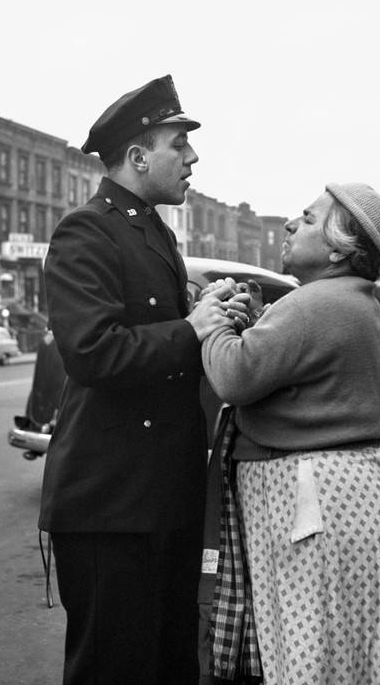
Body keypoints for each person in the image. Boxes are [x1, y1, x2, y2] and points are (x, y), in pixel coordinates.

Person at [38, 75, 246, 685]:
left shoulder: (153, 230)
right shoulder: (87, 231)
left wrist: (216, 316)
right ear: (137, 157)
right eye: (178, 144)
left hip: (161, 497)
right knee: (115, 668)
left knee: (169, 663)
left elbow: (162, 329)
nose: (192, 158)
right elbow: (92, 351)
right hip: (111, 506)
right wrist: (192, 326)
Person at [201, 183, 380, 684]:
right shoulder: (350, 300)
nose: (289, 224)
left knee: (318, 652)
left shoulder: (313, 304)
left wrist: (211, 323)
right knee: (361, 653)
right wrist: (263, 321)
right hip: (357, 498)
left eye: (307, 219)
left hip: (318, 508)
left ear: (337, 249)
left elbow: (234, 376)